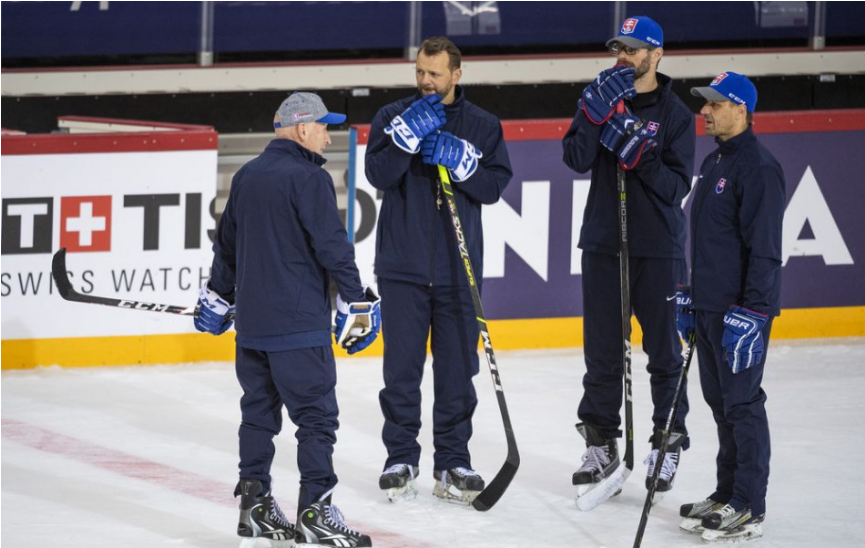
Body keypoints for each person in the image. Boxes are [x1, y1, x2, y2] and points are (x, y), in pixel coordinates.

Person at [194, 91, 380, 547]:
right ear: (301, 128)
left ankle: (254, 506)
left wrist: (218, 297)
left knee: (257, 417)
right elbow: (333, 249)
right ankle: (316, 509)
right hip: (298, 331)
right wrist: (355, 301)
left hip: (253, 332)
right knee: (316, 421)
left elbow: (228, 251)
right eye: (323, 128)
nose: (328, 139)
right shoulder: (309, 179)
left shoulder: (247, 176)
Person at [365, 36, 513, 504]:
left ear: (456, 75)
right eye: (420, 73)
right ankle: (401, 457)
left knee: (456, 374)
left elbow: (493, 188)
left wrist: (466, 165)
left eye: (435, 73)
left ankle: (452, 461)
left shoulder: (483, 125)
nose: (426, 82)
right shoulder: (391, 117)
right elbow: (377, 175)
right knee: (401, 373)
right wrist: (402, 142)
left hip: (457, 271)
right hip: (402, 268)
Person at [561, 15, 696, 504]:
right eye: (620, 48)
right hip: (602, 241)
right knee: (601, 352)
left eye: (634, 50)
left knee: (663, 351)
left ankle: (667, 441)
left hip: (656, 247)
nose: (624, 57)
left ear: (656, 55)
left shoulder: (676, 114)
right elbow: (574, 158)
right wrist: (595, 117)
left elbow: (677, 189)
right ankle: (601, 444)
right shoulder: (599, 96)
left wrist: (642, 156)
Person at [677, 72, 785, 543]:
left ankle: (749, 504)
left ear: (741, 109)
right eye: (705, 104)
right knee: (720, 406)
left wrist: (755, 313)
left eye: (716, 104)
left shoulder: (758, 167)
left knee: (743, 405)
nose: (705, 111)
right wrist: (691, 295)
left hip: (740, 315)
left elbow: (764, 251)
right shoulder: (715, 160)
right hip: (710, 308)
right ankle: (725, 494)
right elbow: (709, 243)